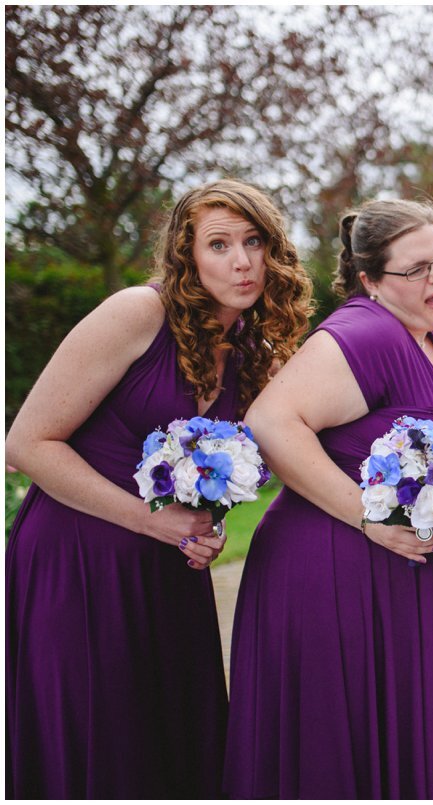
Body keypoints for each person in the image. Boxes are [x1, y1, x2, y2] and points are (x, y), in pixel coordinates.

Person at [6, 178, 313, 798]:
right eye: (219, 244)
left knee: (169, 737)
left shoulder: (255, 350)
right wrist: (151, 520)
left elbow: (249, 461)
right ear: (187, 256)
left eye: (254, 242)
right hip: (78, 559)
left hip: (169, 569)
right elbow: (26, 445)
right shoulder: (137, 313)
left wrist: (210, 522)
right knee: (96, 734)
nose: (242, 260)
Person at [223, 199, 433, 798]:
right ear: (370, 280)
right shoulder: (365, 332)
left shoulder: (431, 336)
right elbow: (270, 421)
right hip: (344, 572)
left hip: (406, 571)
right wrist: (367, 518)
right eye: (416, 269)